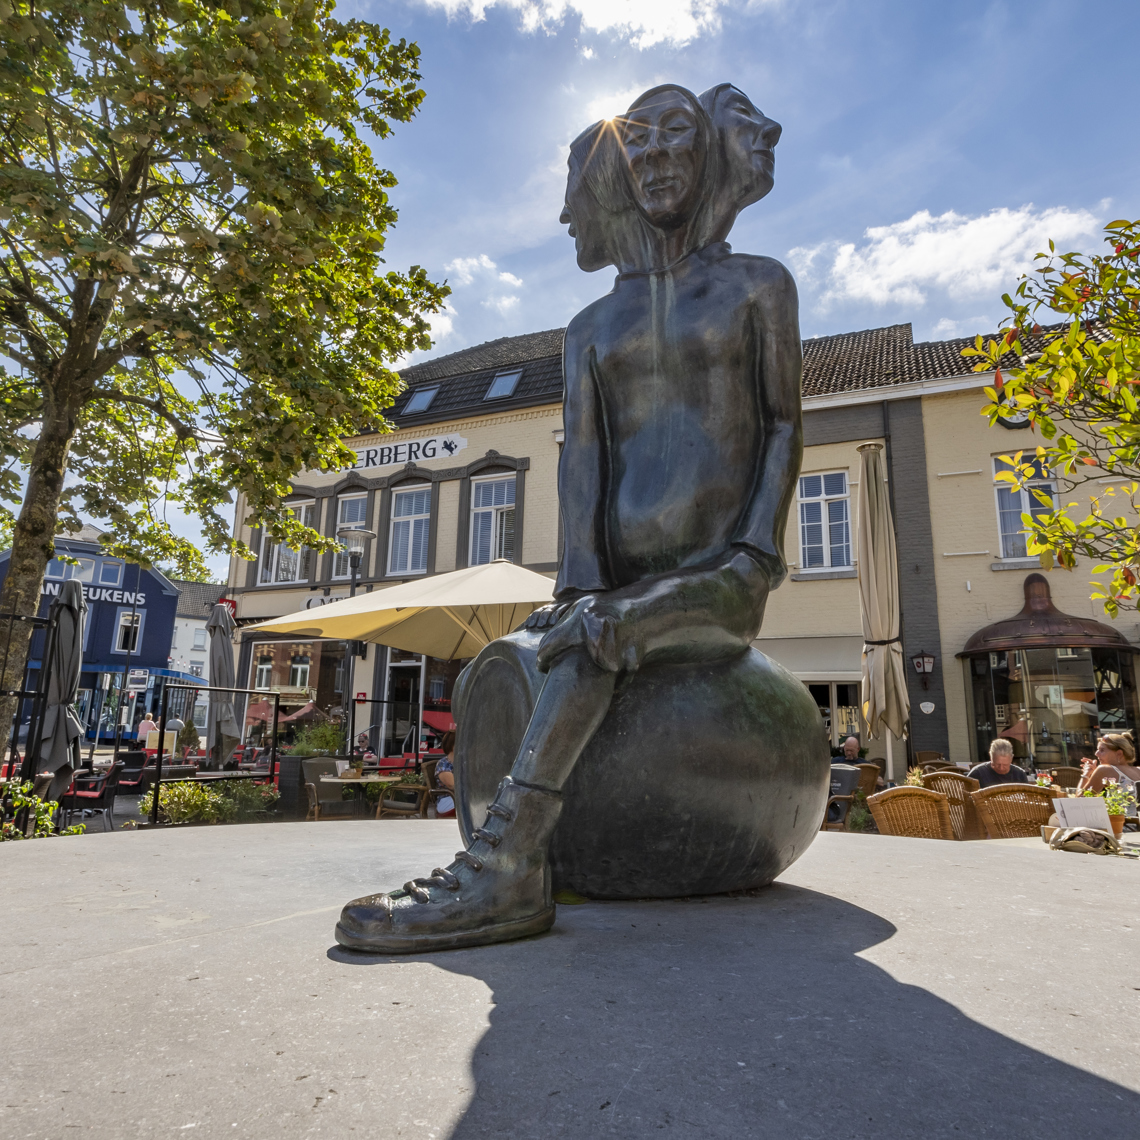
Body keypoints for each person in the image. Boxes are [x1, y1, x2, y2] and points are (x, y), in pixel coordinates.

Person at [336, 82, 798, 954]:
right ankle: (508, 851)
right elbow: (583, 463)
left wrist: (753, 552)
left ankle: (505, 871)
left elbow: (780, 426)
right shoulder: (589, 325)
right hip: (615, 582)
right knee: (543, 644)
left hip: (720, 581)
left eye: (678, 142)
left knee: (593, 638)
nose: (658, 160)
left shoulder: (758, 286)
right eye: (641, 148)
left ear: (711, 161)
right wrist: (579, 578)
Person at [432, 730, 457, 818]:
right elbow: (452, 785)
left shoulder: (464, 763)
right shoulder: (443, 764)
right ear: (453, 746)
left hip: (460, 800)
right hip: (448, 800)